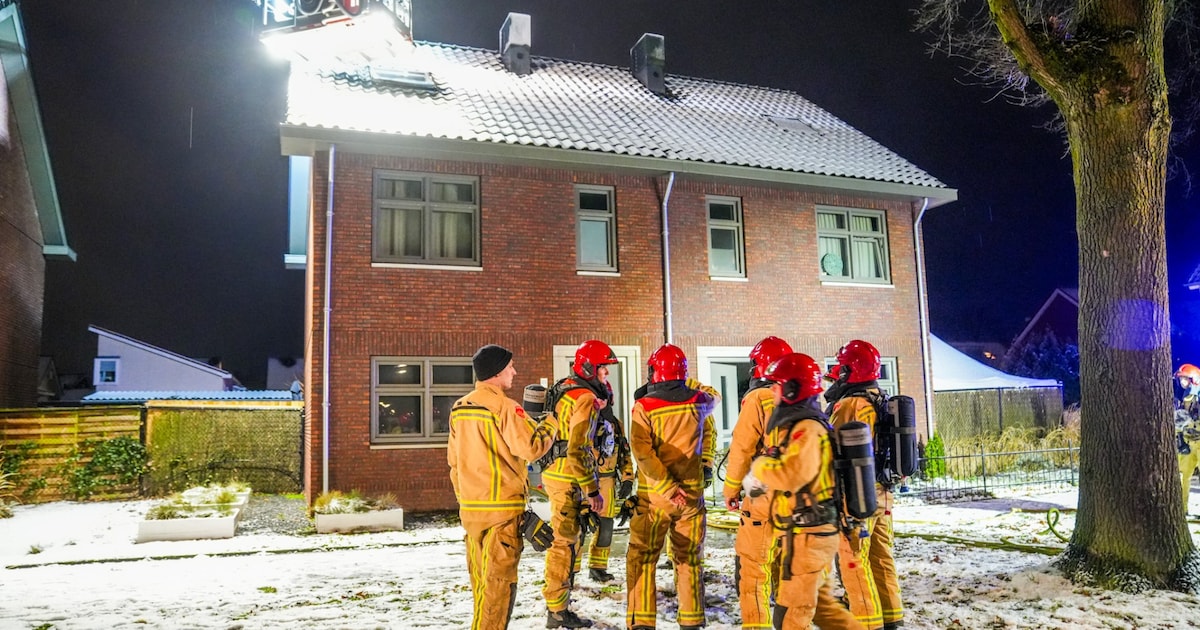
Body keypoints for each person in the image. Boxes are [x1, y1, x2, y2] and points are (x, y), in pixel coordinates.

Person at [749, 352, 865, 630]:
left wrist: (761, 466)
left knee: (791, 615)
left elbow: (792, 476)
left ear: (793, 389)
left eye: (777, 386)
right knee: (820, 611)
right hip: (808, 532)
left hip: (810, 535)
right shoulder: (804, 425)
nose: (773, 392)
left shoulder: (808, 429)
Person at [447, 344, 560, 630]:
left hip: (471, 511)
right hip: (502, 512)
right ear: (497, 372)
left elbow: (454, 464)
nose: (514, 372)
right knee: (498, 587)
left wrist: (465, 498)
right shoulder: (505, 407)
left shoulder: (459, 408)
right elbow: (531, 447)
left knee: (481, 586)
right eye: (510, 367)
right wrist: (550, 422)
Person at [625, 343, 716, 630]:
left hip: (655, 498)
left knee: (642, 558)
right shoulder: (700, 401)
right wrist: (687, 383)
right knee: (689, 559)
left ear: (654, 371)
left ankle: (642, 623)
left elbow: (643, 454)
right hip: (691, 497)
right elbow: (713, 394)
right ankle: (691, 621)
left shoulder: (644, 407)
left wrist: (667, 487)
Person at [824, 340, 901, 630]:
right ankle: (892, 617)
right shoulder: (881, 399)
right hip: (883, 493)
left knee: (854, 560)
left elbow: (834, 446)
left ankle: (867, 622)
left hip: (857, 495)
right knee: (881, 557)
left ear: (849, 370)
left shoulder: (850, 405)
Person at [540, 340, 616, 629]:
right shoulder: (584, 397)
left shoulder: (565, 389)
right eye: (603, 369)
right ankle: (557, 611)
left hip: (556, 472)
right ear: (589, 368)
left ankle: (560, 601)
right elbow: (578, 448)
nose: (606, 375)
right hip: (569, 478)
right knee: (564, 543)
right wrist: (592, 489)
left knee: (569, 541)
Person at [723, 335, 794, 629]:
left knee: (753, 569)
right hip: (800, 494)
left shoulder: (758, 398)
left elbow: (742, 449)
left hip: (764, 493)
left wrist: (731, 489)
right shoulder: (803, 397)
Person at [574, 381, 635, 583]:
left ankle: (598, 567)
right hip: (585, 482)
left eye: (604, 398)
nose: (601, 402)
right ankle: (570, 570)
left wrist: (627, 478)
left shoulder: (616, 424)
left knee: (606, 528)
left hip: (607, 482)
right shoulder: (582, 420)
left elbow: (624, 451)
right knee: (579, 527)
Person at [1176, 363, 1200, 513]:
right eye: (1181, 379)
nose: (1182, 382)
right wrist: (1180, 438)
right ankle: (1181, 510)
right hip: (1188, 443)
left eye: (1185, 379)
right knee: (1183, 476)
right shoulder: (1182, 400)